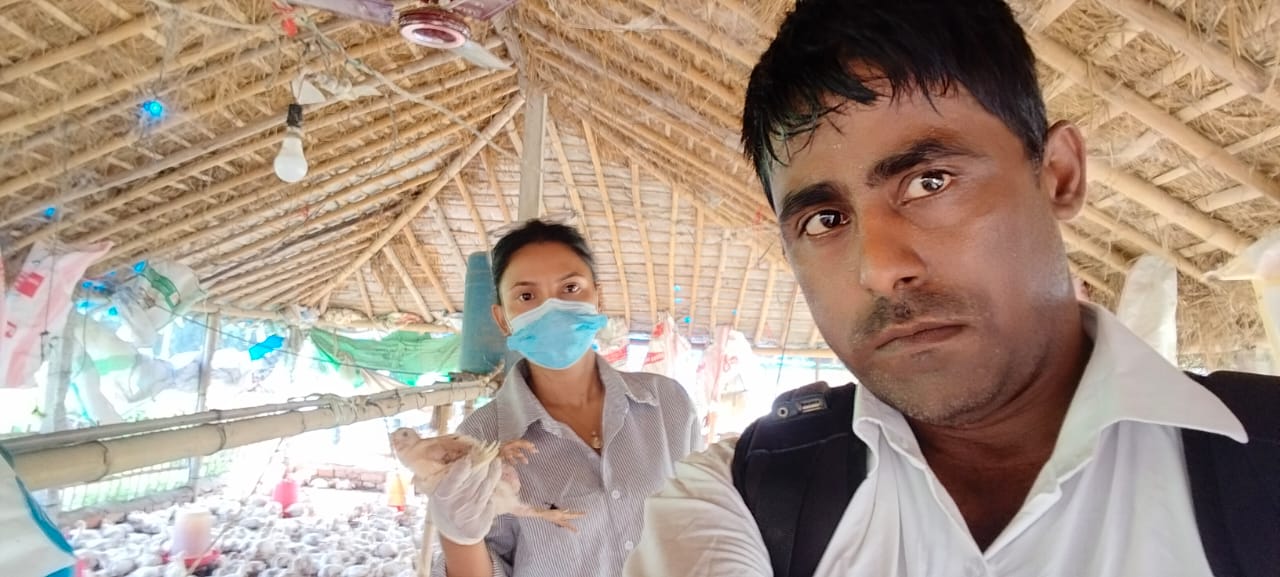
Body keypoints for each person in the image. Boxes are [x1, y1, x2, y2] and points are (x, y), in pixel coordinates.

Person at [623, 1, 1280, 576]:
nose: (880, 268)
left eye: (929, 181)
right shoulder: (743, 496)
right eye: (825, 220)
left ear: (1058, 175)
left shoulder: (1261, 460)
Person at [427, 219, 702, 577]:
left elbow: (701, 523)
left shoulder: (667, 404)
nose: (552, 309)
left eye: (570, 288)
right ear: (502, 318)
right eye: (527, 297)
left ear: (598, 298)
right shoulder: (482, 439)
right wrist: (458, 534)